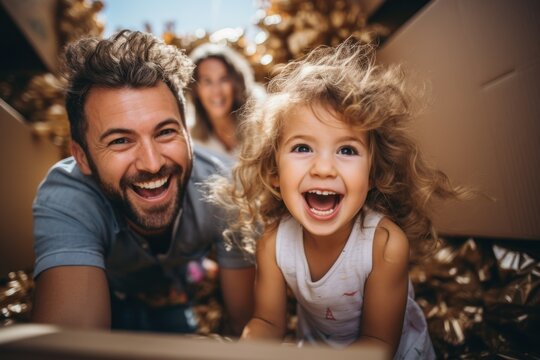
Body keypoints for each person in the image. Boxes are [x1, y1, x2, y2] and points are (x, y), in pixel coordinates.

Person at [209, 40, 471, 358]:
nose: (323, 168)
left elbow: (377, 345)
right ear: (274, 171)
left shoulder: (385, 245)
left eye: (347, 150)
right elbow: (267, 321)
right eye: (302, 148)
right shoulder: (273, 243)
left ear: (373, 173)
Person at [31, 30, 255, 335]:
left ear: (189, 136)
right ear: (81, 157)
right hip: (113, 293)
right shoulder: (68, 200)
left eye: (165, 132)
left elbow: (246, 326)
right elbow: (74, 346)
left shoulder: (224, 189)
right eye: (121, 140)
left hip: (179, 297)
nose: (152, 164)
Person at [188, 43, 262, 155]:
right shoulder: (193, 142)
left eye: (224, 79)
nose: (216, 91)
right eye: (207, 81)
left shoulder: (262, 125)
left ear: (236, 82)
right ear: (195, 89)